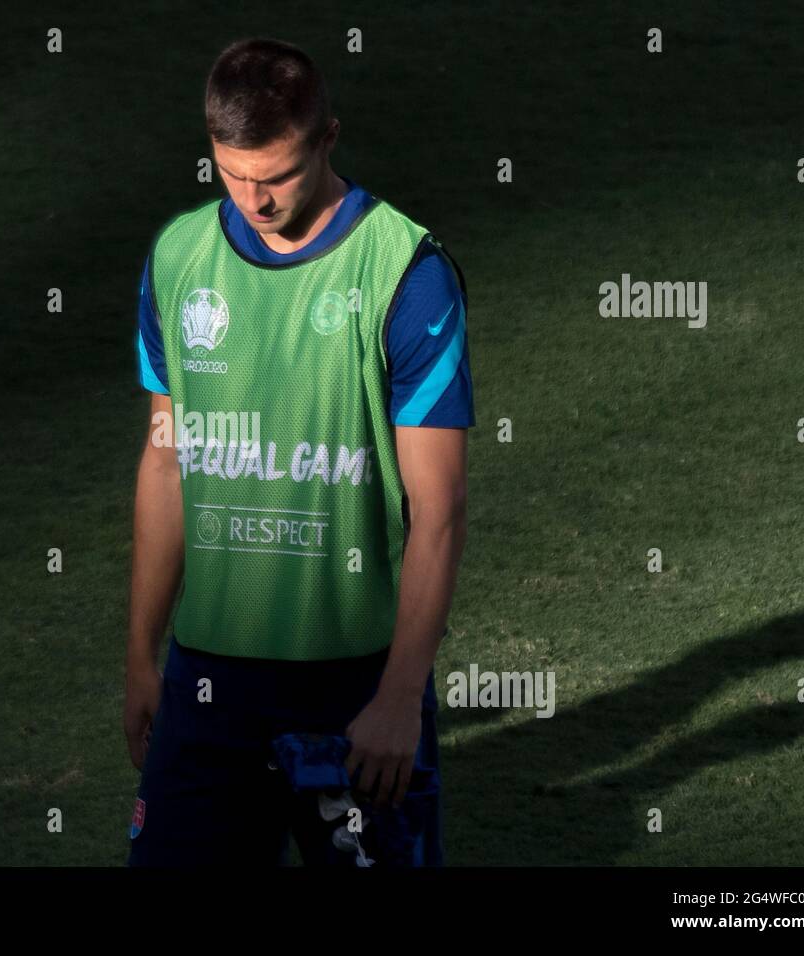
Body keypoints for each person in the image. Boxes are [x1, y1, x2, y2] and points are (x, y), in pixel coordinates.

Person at [124, 36, 473, 866]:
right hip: (206, 681)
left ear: (327, 138)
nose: (256, 198)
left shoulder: (408, 274)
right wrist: (142, 655)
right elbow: (167, 460)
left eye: (276, 175)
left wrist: (398, 697)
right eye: (233, 174)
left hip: (351, 684)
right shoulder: (177, 260)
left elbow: (439, 511)